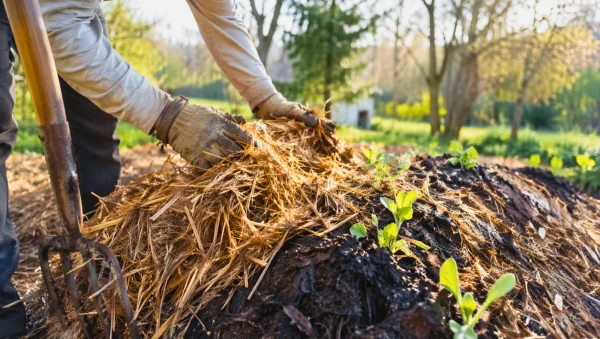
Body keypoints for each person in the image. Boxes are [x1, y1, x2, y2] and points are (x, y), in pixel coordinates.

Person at [0, 0, 318, 337]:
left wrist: (265, 97)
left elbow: (218, 14)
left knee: (94, 130)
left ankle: (95, 262)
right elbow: (57, 23)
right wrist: (166, 116)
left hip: (68, 12)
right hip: (55, 13)